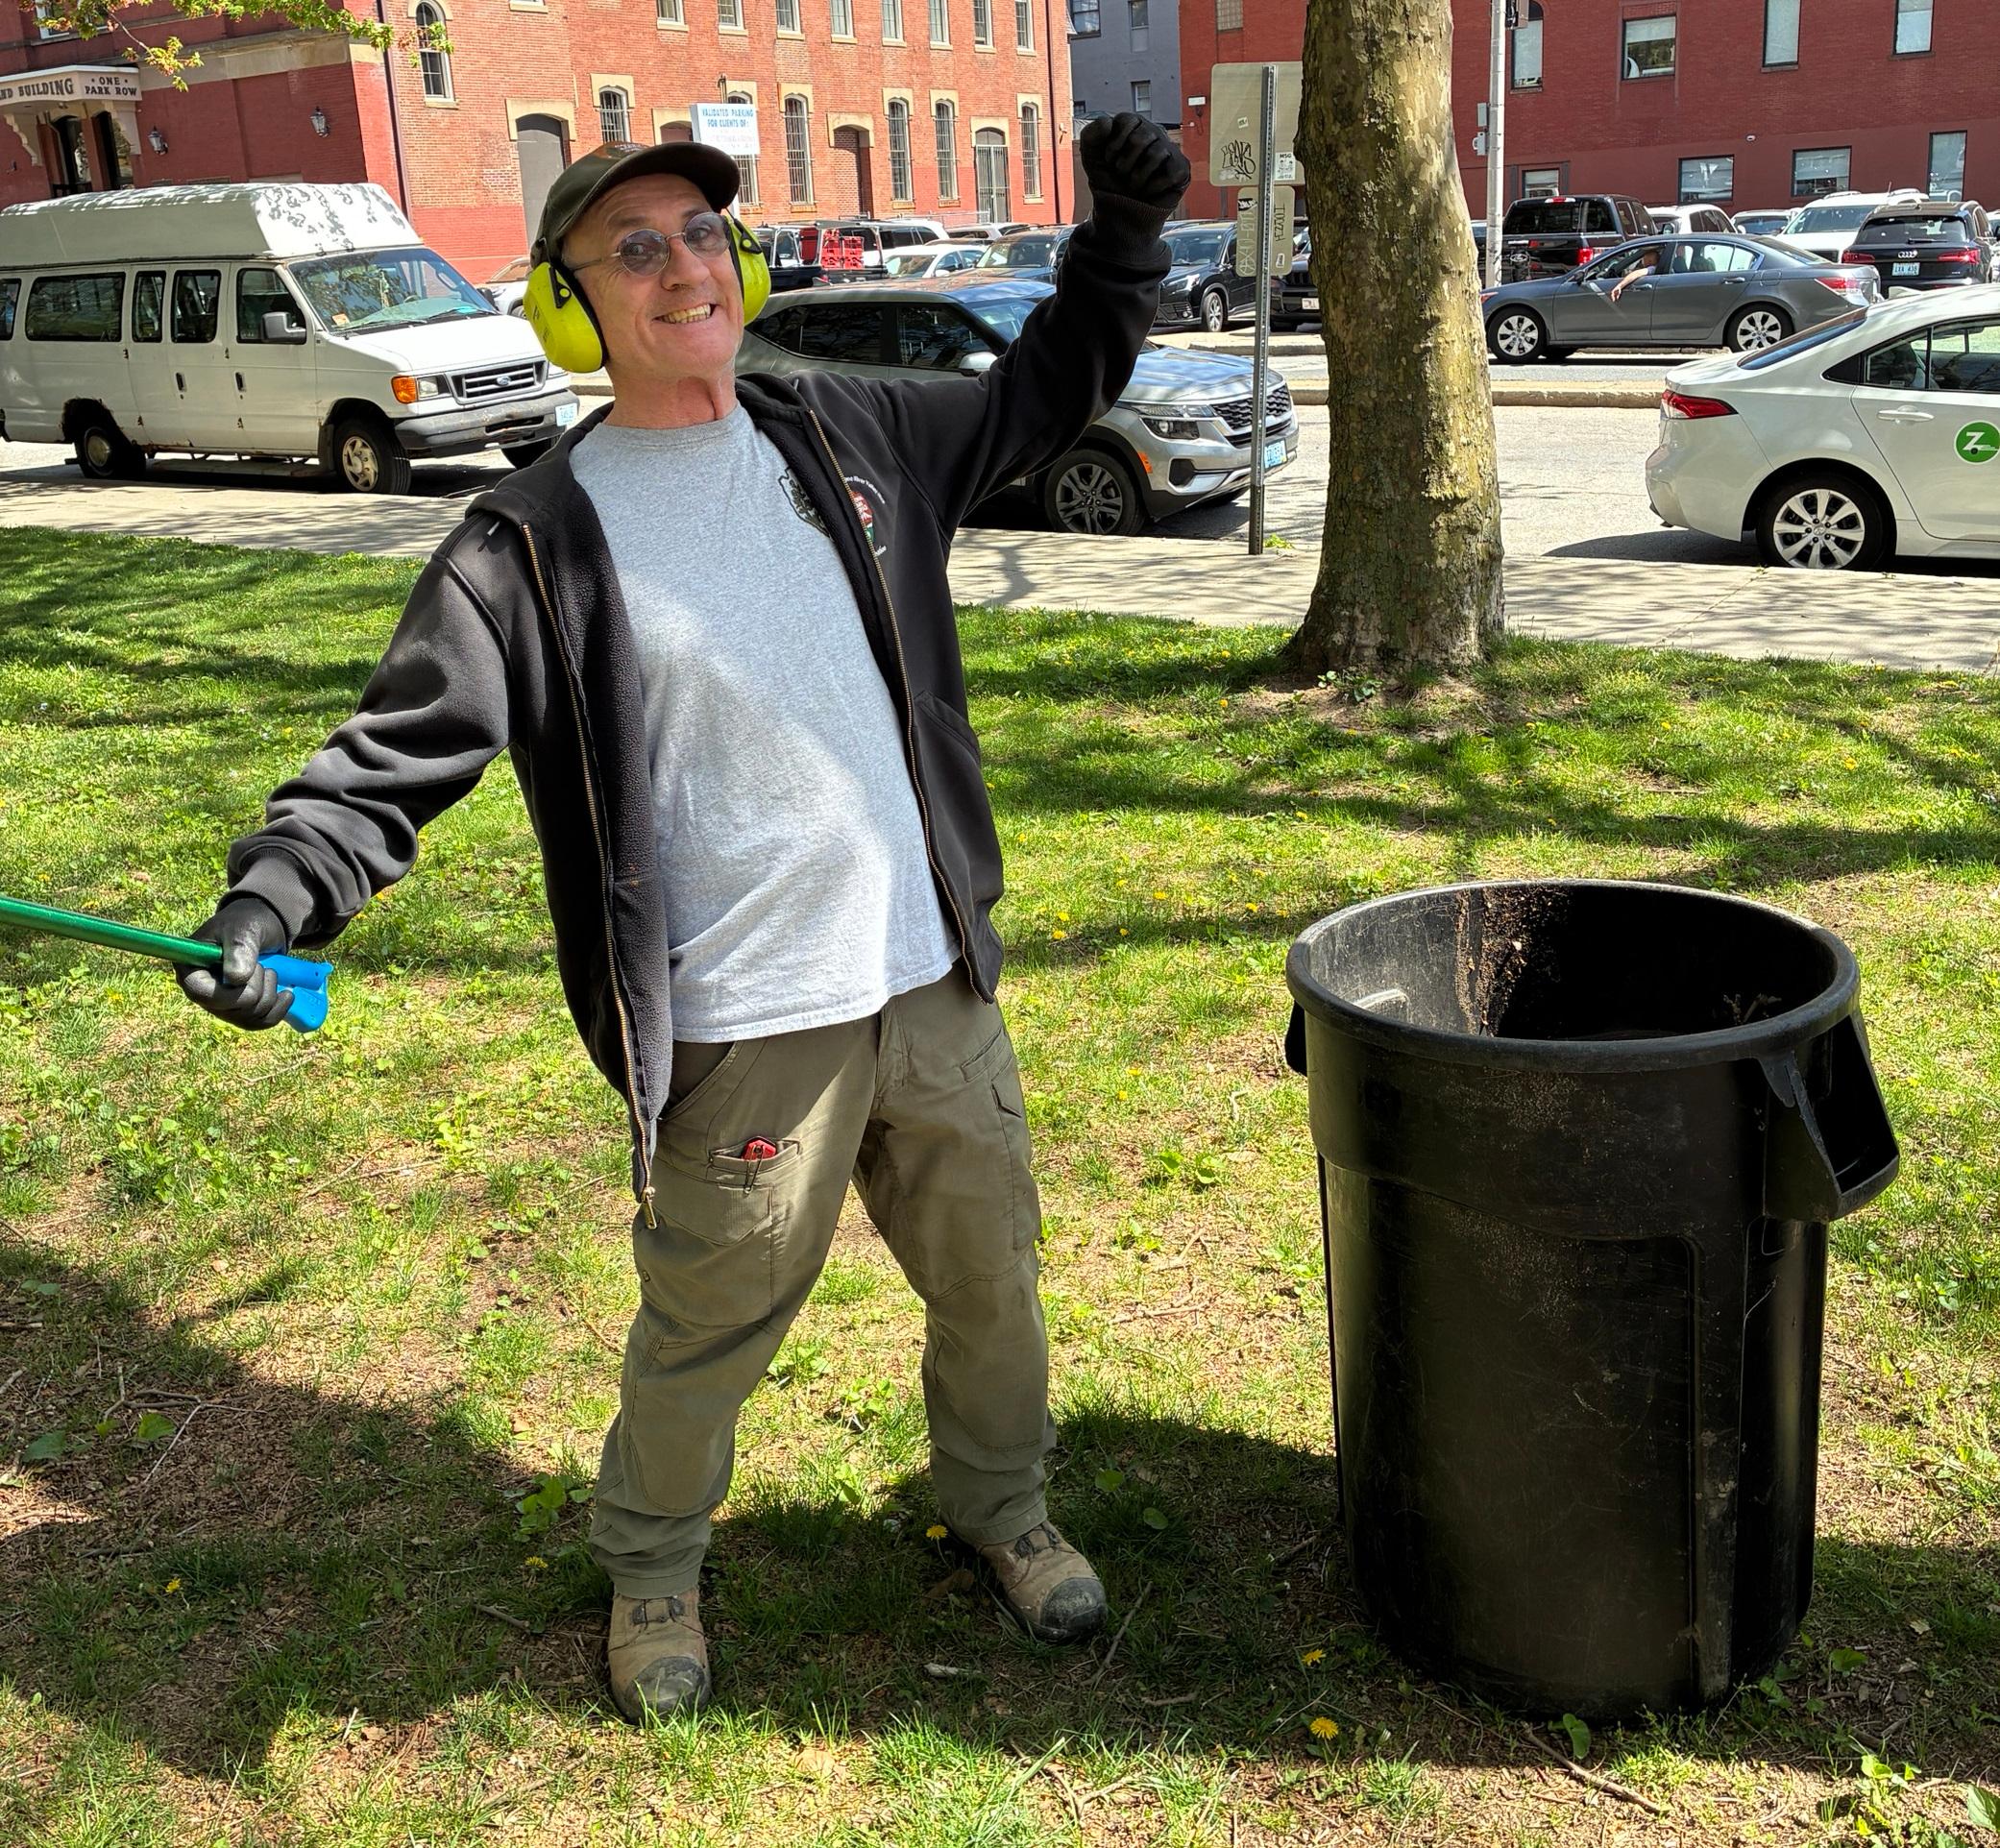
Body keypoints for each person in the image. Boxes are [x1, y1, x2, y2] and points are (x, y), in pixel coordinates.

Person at [177, 115, 1190, 1721]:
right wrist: (274, 896)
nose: (681, 270)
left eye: (702, 237)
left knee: (994, 1278)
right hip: (747, 1019)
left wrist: (1121, 238)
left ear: (747, 263)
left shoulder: (846, 434)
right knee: (709, 1326)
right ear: (573, 305)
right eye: (633, 250)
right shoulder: (526, 543)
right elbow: (391, 757)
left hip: (927, 980)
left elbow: (1042, 392)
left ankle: (1001, 1508)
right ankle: (652, 1568)